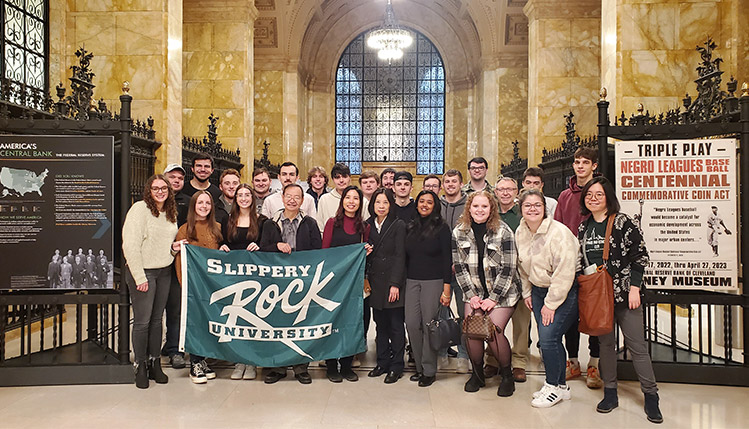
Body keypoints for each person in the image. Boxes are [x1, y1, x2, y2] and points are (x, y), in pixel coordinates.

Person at [578, 177, 663, 423]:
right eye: (589, 195)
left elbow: (640, 255)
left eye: (599, 194)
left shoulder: (623, 222)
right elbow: (581, 262)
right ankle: (610, 392)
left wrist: (635, 287)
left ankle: (651, 396)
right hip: (598, 297)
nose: (593, 198)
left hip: (626, 294)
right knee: (605, 346)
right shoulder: (583, 228)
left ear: (608, 197)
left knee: (637, 346)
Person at [452, 190, 521, 396]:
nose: (479, 210)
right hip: (473, 291)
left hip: (503, 292)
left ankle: (507, 375)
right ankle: (477, 374)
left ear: (491, 209)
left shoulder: (504, 231)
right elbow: (459, 267)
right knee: (472, 331)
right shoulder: (459, 231)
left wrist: (493, 299)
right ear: (469, 208)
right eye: (475, 206)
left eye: (484, 206)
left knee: (492, 331)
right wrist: (472, 295)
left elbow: (509, 268)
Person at [515, 189, 578, 408]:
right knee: (551, 339)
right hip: (538, 290)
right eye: (527, 205)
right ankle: (561, 387)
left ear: (544, 208)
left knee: (549, 339)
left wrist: (551, 305)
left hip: (562, 291)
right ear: (520, 209)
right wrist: (527, 293)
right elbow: (521, 266)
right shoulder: (521, 231)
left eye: (537, 205)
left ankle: (552, 386)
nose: (532, 209)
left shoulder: (559, 233)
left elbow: (565, 272)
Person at [259, 183, 322, 385]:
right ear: (282, 197)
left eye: (297, 197)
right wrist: (275, 246)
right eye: (289, 196)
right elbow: (262, 250)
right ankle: (277, 366)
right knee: (278, 323)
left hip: (301, 282)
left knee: (300, 323)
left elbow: (317, 251)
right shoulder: (271, 223)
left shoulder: (310, 223)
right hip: (276, 283)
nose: (292, 200)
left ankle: (300, 367)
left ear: (302, 200)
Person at [121, 174, 179, 389]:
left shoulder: (170, 211)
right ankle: (140, 365)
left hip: (164, 270)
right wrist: (139, 276)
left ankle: (155, 362)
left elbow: (166, 242)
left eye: (163, 188)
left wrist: (173, 251)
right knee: (142, 321)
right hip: (144, 271)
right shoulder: (139, 209)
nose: (160, 192)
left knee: (157, 320)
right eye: (155, 188)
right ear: (149, 190)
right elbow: (130, 245)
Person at [554, 147, 602, 388]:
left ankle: (594, 362)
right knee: (570, 313)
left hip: (594, 262)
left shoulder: (601, 192)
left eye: (585, 162)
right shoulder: (564, 196)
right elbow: (558, 228)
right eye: (577, 162)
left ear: (594, 165)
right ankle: (572, 360)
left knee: (594, 312)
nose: (580, 166)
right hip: (570, 262)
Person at [321, 185, 372, 382]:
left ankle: (347, 364)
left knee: (352, 322)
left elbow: (364, 254)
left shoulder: (364, 227)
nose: (351, 201)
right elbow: (325, 252)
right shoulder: (332, 223)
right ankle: (331, 364)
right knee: (332, 321)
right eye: (348, 197)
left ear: (360, 203)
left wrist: (366, 251)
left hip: (354, 282)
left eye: (355, 198)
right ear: (342, 201)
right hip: (333, 281)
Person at [174, 190, 223, 384]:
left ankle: (203, 360)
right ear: (194, 205)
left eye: (207, 203)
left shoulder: (217, 228)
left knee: (208, 324)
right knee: (195, 324)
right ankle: (194, 363)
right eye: (200, 203)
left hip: (211, 287)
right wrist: (185, 285)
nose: (204, 206)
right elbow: (180, 260)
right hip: (193, 287)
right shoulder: (185, 230)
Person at [404, 190, 452, 387]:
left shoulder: (442, 228)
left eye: (429, 202)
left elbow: (447, 259)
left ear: (435, 206)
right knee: (412, 323)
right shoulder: (411, 226)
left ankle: (429, 370)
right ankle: (419, 366)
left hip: (434, 281)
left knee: (428, 325)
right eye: (421, 201)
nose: (424, 205)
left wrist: (446, 289)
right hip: (411, 281)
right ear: (416, 204)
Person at [219, 183, 266, 381]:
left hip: (255, 277)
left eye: (248, 195)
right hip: (234, 276)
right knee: (236, 319)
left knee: (253, 318)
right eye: (240, 195)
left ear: (252, 198)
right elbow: (223, 241)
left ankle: (252, 361)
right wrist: (222, 247)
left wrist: (260, 245)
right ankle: (239, 361)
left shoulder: (262, 221)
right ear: (235, 198)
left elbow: (268, 245)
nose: (244, 198)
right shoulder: (228, 220)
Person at [365, 188, 407, 384]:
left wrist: (395, 284)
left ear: (391, 205)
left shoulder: (398, 225)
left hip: (392, 282)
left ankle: (397, 365)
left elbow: (400, 255)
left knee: (396, 326)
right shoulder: (367, 225)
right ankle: (382, 362)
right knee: (380, 324)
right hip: (375, 282)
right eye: (377, 203)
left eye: (385, 203)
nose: (381, 206)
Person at [493, 176, 531, 383]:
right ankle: (492, 359)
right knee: (492, 321)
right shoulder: (491, 214)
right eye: (501, 189)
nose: (505, 193)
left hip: (520, 276)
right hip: (496, 277)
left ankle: (519, 363)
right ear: (496, 192)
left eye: (510, 189)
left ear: (517, 192)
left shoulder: (523, 214)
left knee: (521, 322)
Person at [438, 169, 469, 373]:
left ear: (460, 183)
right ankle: (440, 351)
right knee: (439, 312)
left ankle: (464, 355)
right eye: (447, 181)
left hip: (463, 269)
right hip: (439, 269)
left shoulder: (468, 205)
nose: (450, 184)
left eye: (454, 181)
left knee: (464, 312)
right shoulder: (436, 205)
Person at [161, 164, 190, 369]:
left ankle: (175, 349)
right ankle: (154, 350)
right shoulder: (151, 203)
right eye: (172, 177)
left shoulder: (188, 202)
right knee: (154, 311)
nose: (176, 181)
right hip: (156, 262)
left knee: (176, 308)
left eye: (180, 178)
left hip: (179, 262)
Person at [316, 163, 352, 233]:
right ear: (333, 179)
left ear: (349, 178)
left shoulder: (360, 199)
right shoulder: (324, 199)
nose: (341, 180)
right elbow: (320, 227)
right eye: (337, 177)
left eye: (344, 177)